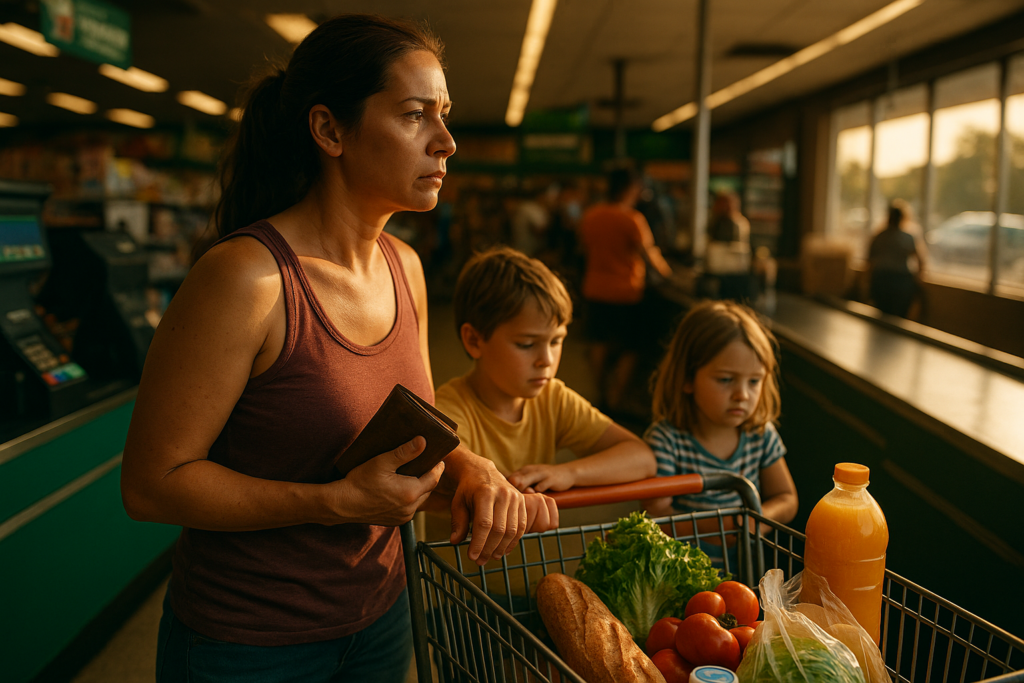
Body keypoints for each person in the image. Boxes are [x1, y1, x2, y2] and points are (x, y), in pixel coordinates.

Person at [119, 15, 555, 683]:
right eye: (415, 116)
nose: (447, 142)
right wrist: (334, 502)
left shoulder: (405, 268)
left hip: (382, 621)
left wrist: (469, 466)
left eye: (444, 115)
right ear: (329, 130)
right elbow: (152, 485)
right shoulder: (248, 279)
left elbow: (402, 421)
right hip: (247, 646)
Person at [434, 246, 657, 498]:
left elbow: (642, 457)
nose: (546, 360)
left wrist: (568, 473)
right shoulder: (449, 412)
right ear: (474, 340)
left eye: (555, 341)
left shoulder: (553, 399)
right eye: (526, 344)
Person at [641, 300, 798, 568]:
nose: (742, 395)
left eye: (754, 381)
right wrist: (719, 528)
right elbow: (657, 514)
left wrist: (753, 522)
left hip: (744, 576)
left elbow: (787, 498)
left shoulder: (760, 435)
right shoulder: (667, 441)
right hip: (680, 576)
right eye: (726, 380)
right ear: (687, 378)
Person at [579, 167, 672, 411]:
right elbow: (650, 256)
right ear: (631, 189)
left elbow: (585, 249)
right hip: (626, 293)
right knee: (631, 347)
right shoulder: (633, 219)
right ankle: (616, 399)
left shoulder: (591, 215)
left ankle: (599, 395)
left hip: (595, 289)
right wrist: (669, 274)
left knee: (599, 342)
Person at [868, 199, 927, 318]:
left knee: (881, 316)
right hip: (901, 282)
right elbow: (921, 261)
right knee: (898, 318)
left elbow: (869, 260)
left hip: (881, 279)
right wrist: (918, 280)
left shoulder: (879, 236)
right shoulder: (908, 238)